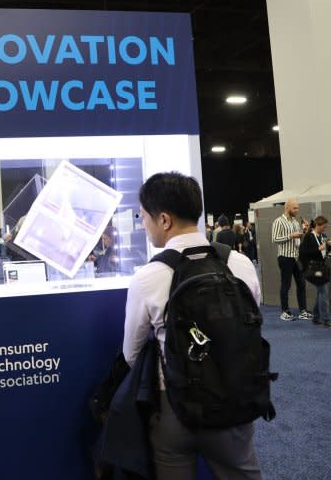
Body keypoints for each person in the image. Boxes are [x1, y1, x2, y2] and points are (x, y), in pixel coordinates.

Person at [123, 172, 263, 479]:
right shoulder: (240, 264)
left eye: (144, 217)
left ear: (164, 220)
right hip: (235, 398)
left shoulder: (147, 277)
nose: (143, 225)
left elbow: (131, 354)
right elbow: (253, 321)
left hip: (175, 404)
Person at [271, 198, 313, 321]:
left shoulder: (295, 222)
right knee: (286, 285)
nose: (297, 210)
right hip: (285, 257)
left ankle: (303, 311)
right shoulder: (278, 221)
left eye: (297, 208)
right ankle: (285, 311)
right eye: (295, 208)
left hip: (296, 257)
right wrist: (290, 235)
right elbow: (274, 239)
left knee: (301, 284)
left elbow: (299, 239)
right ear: (287, 208)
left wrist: (305, 231)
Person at [299, 216, 331, 329]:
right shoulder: (309, 237)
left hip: (321, 267)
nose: (325, 229)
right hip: (312, 269)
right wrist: (318, 249)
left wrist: (330, 246)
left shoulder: (323, 236)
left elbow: (323, 253)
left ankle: (316, 317)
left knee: (321, 292)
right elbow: (303, 253)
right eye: (323, 227)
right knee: (324, 292)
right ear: (318, 225)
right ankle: (326, 320)